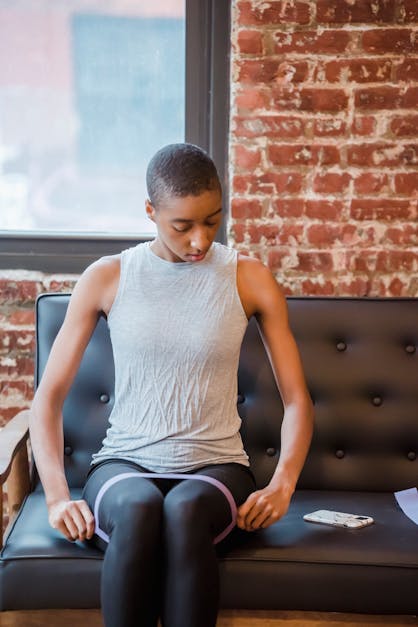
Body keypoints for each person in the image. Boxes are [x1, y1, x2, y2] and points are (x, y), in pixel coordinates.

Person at [29, 143, 314, 627]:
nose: (200, 240)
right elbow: (48, 398)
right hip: (123, 464)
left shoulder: (249, 279)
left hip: (217, 469)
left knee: (183, 510)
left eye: (212, 220)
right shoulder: (108, 277)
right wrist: (57, 496)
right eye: (182, 226)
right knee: (140, 507)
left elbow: (297, 400)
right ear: (150, 212)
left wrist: (283, 483)